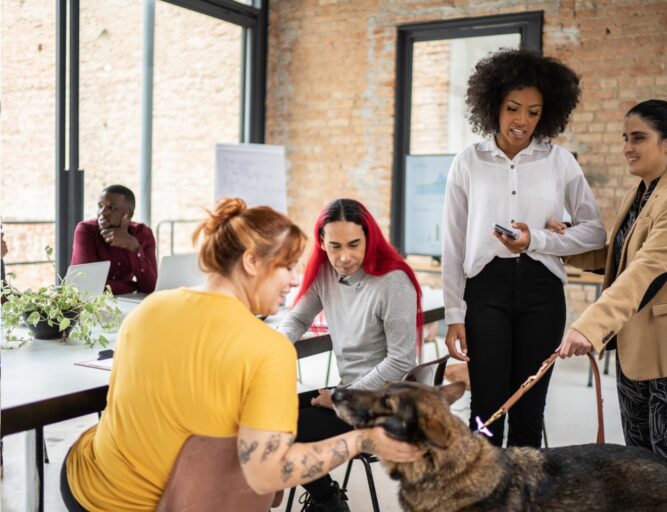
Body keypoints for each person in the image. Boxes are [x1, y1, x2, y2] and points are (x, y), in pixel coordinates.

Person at [61, 198, 424, 511]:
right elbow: (266, 471)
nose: (295, 279)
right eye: (286, 266)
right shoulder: (266, 350)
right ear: (252, 263)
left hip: (82, 484)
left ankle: (327, 500)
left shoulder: (149, 308)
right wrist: (363, 439)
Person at [441, 48, 607, 448]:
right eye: (514, 108)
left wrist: (540, 239)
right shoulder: (468, 161)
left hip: (542, 293)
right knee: (486, 408)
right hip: (486, 292)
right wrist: (453, 314)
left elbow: (596, 232)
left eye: (533, 112)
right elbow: (453, 241)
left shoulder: (560, 162)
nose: (522, 121)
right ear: (493, 104)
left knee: (529, 410)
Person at [555, 99, 667, 482]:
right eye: (625, 138)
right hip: (637, 353)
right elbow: (619, 256)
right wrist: (557, 243)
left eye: (638, 138)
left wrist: (589, 326)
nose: (627, 147)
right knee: (640, 466)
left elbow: (646, 271)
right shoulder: (644, 191)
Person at [279, 198, 423, 512]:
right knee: (270, 414)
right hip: (350, 394)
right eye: (335, 246)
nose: (345, 257)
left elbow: (401, 360)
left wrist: (344, 398)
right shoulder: (326, 276)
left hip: (385, 407)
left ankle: (327, 502)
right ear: (321, 243)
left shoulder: (393, 282)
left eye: (354, 244)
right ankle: (328, 499)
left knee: (288, 431)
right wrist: (274, 346)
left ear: (369, 238)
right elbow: (298, 318)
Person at [71, 184, 157, 295]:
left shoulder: (143, 233)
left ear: (128, 214)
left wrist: (134, 247)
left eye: (111, 208)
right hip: (84, 303)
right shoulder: (85, 230)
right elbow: (90, 285)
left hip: (123, 302)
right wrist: (133, 286)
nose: (102, 212)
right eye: (100, 206)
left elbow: (151, 287)